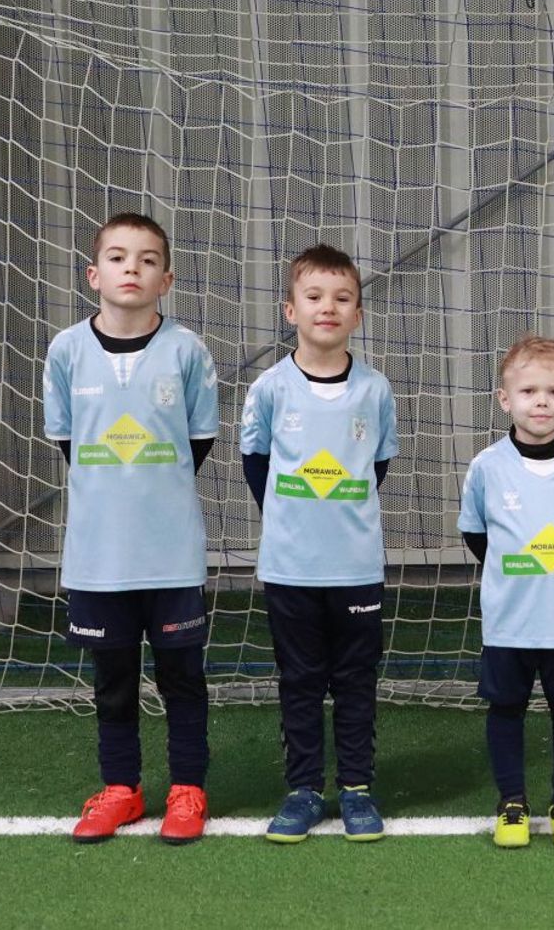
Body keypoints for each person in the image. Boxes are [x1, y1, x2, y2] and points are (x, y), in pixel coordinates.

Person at [42, 211, 219, 844]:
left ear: (165, 279)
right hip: (99, 558)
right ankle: (122, 788)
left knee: (182, 680)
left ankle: (188, 790)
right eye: (117, 258)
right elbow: (68, 441)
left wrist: (151, 491)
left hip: (170, 555)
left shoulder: (187, 351)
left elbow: (197, 442)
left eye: (147, 260)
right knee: (112, 683)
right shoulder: (66, 351)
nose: (131, 269)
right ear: (93, 274)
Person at [239, 245, 399, 843]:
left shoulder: (374, 390)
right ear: (291, 310)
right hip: (291, 567)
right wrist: (293, 519)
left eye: (342, 298)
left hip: (356, 567)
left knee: (355, 680)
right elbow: (256, 463)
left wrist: (338, 517)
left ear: (358, 313)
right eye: (313, 297)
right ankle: (303, 789)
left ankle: (356, 787)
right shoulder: (270, 388)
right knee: (300, 680)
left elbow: (376, 467)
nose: (327, 307)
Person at [458, 336, 554, 850]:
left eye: (553, 391)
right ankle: (512, 802)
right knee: (506, 709)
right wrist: (519, 575)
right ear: (505, 400)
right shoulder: (487, 466)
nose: (541, 402)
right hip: (509, 622)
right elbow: (477, 536)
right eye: (528, 391)